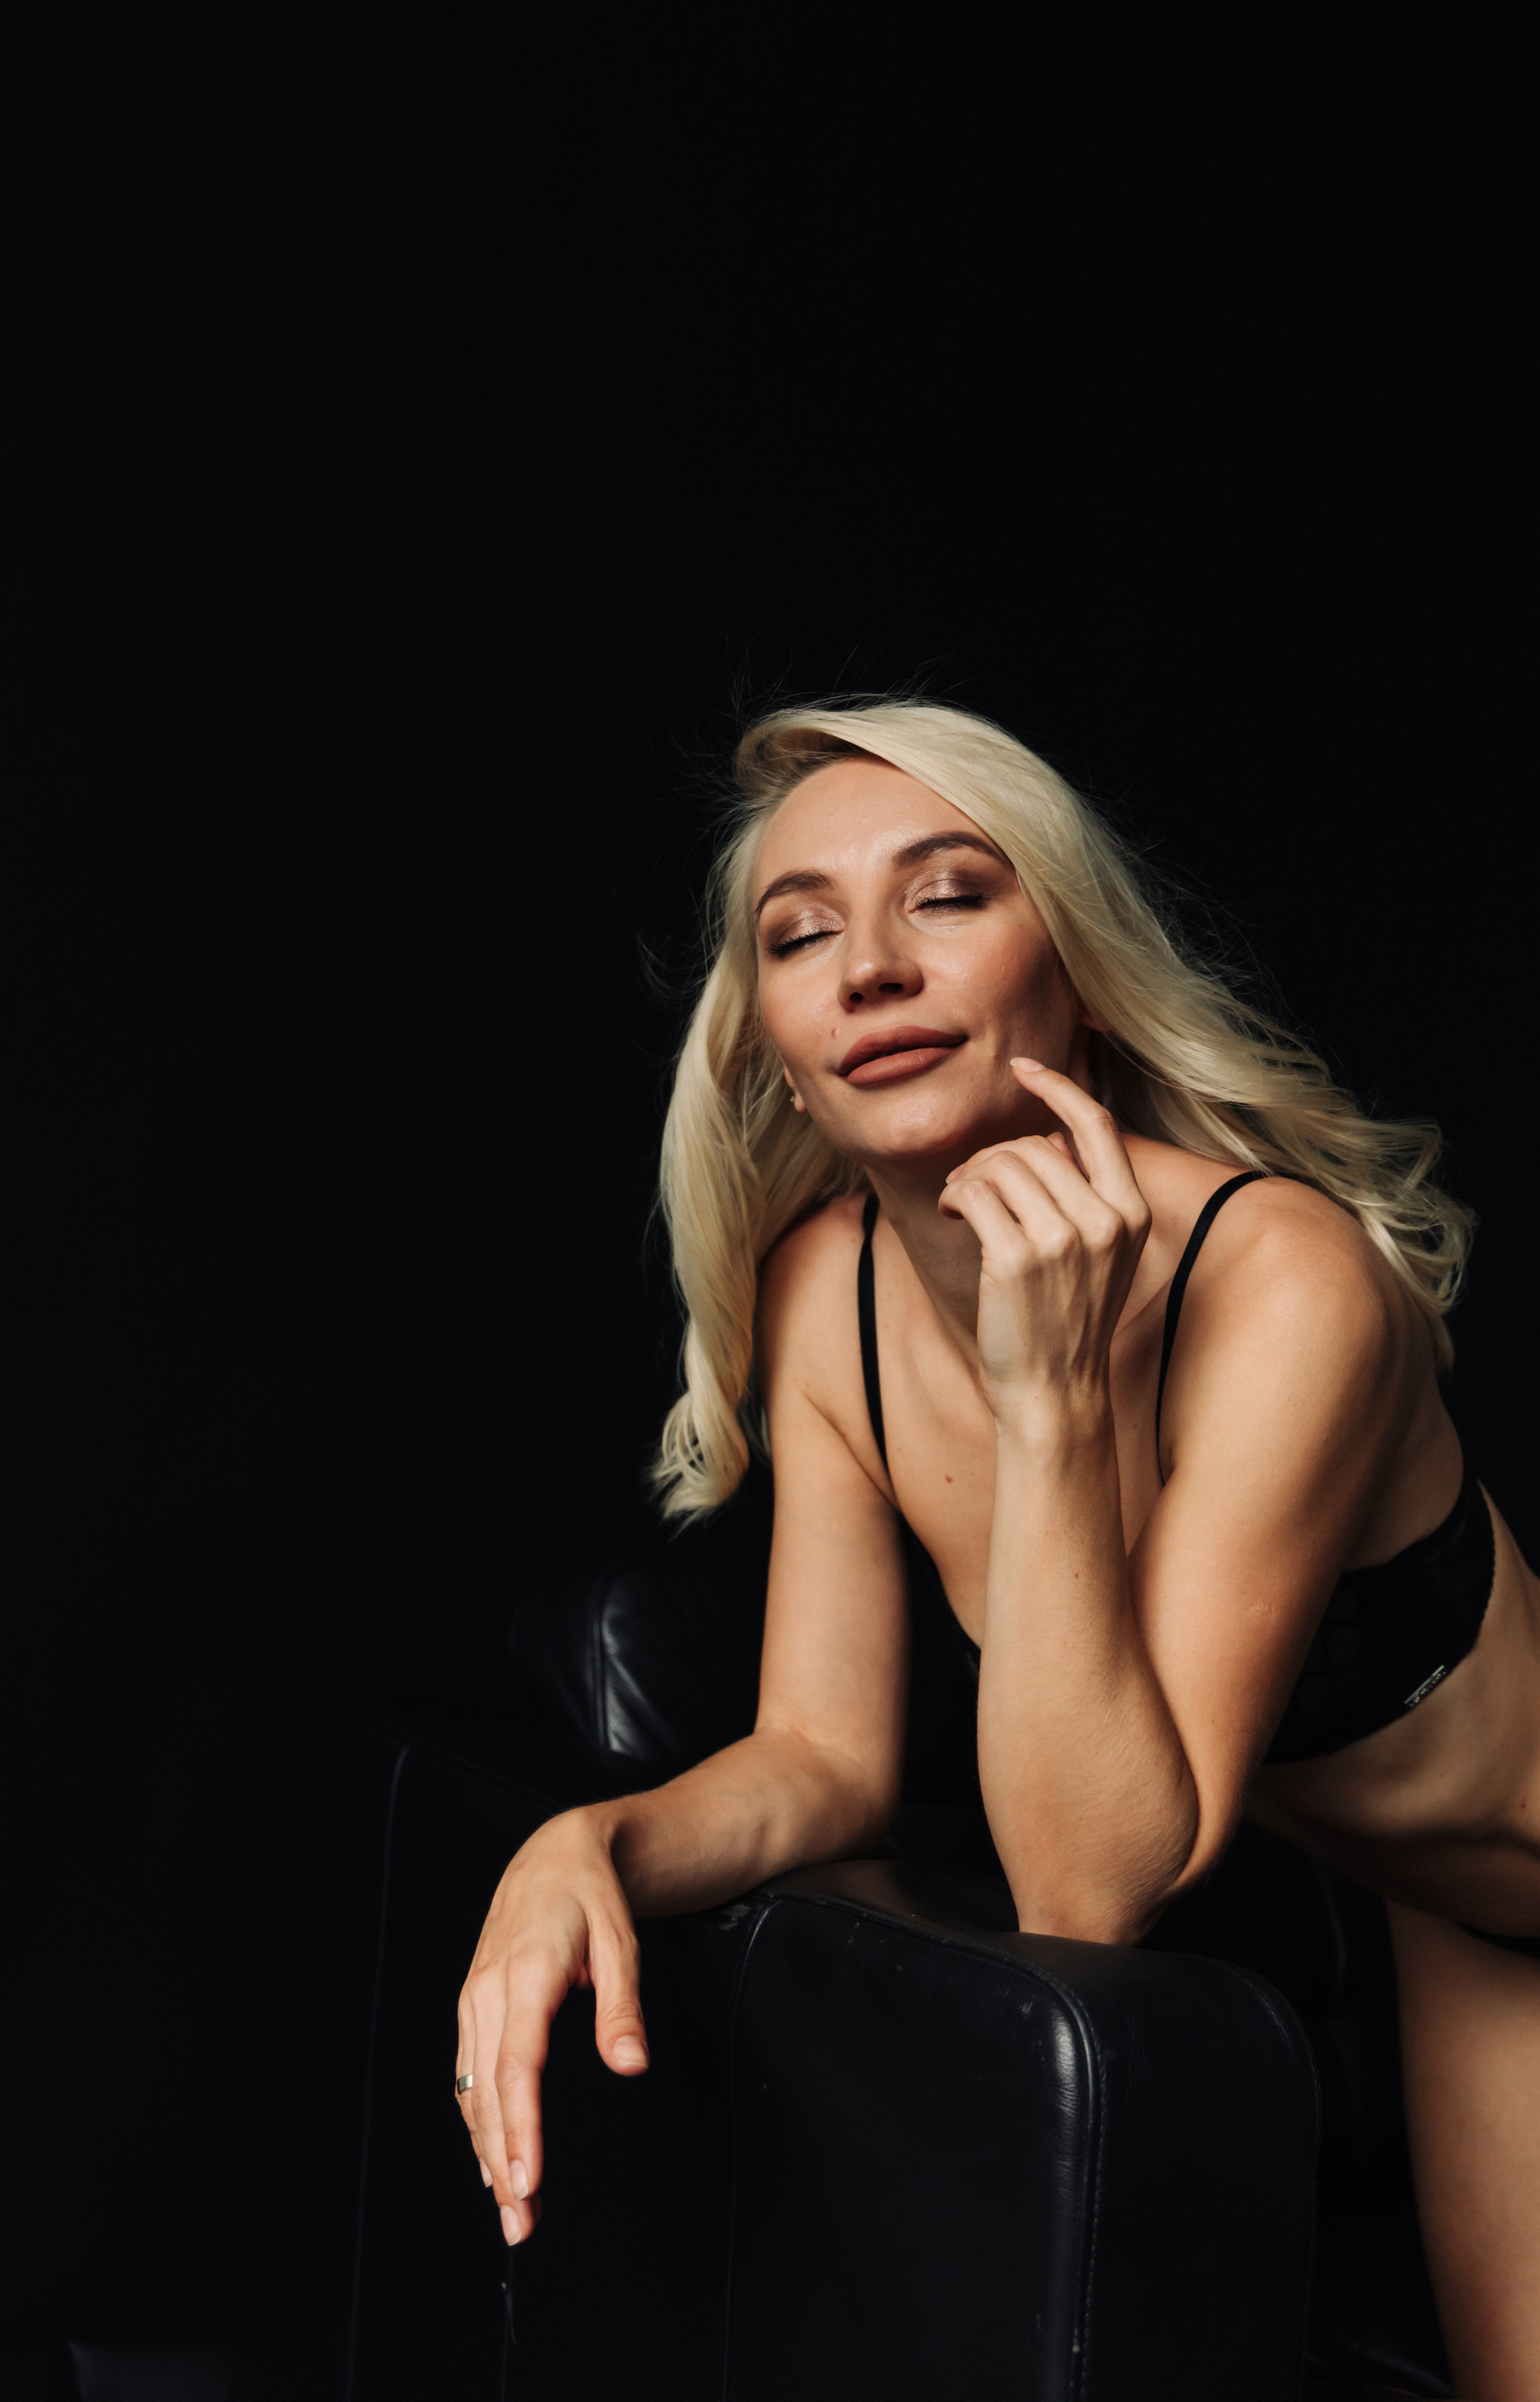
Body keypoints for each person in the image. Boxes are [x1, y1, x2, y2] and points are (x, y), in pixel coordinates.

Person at [456, 699, 1540, 2399]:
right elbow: (826, 1760)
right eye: (799, 934)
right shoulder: (828, 1297)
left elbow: (1090, 1889)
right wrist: (582, 1846)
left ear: (1079, 970)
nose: (871, 967)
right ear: (776, 1046)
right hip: (1469, 1928)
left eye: (948, 896)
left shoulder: (1284, 1282)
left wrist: (1051, 1406)